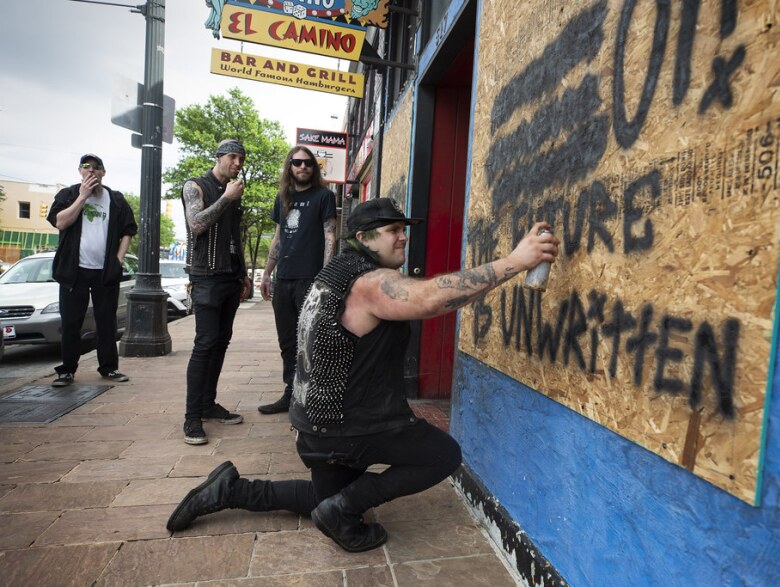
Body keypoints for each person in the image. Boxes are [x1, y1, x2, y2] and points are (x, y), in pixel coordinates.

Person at [166, 197, 559, 552]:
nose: (402, 238)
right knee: (443, 455)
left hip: (316, 427)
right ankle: (343, 510)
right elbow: (431, 298)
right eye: (392, 231)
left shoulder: (335, 272)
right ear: (363, 237)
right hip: (347, 427)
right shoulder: (368, 281)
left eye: (403, 230)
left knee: (322, 500)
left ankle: (229, 490)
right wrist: (516, 262)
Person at [179, 139, 252, 445]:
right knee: (205, 343)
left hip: (229, 277)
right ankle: (191, 417)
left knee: (221, 343)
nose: (238, 163)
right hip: (205, 277)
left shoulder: (234, 192)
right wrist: (225, 198)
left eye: (241, 159)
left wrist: (244, 273)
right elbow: (196, 225)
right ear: (219, 157)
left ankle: (208, 404)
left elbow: (235, 236)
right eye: (233, 157)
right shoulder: (195, 186)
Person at [257, 145, 337, 415]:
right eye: (297, 162)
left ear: (313, 168)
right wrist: (267, 273)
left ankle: (312, 397)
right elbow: (279, 239)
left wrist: (324, 278)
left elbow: (330, 237)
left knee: (311, 340)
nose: (303, 167)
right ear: (289, 166)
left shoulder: (323, 196)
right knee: (287, 342)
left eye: (308, 163)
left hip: (310, 280)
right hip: (284, 280)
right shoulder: (283, 198)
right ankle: (290, 394)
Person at [48, 154, 137, 387]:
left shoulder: (115, 199)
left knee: (106, 322)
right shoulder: (68, 195)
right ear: (80, 171)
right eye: (86, 167)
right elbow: (60, 222)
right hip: (74, 272)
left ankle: (109, 368)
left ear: (103, 173)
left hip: (104, 271)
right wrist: (82, 197)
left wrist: (118, 259)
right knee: (71, 322)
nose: (92, 171)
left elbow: (128, 230)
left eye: (97, 168)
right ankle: (67, 370)